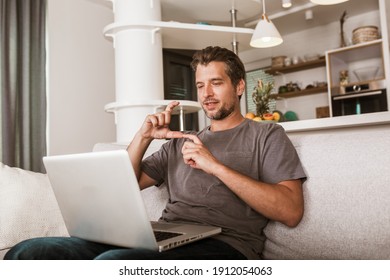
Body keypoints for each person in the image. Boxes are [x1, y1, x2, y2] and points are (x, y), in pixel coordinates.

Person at [5, 46, 306, 260]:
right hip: (166, 237)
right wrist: (144, 136)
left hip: (226, 246)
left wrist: (215, 166)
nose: (206, 95)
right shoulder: (179, 141)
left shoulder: (267, 135)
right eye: (201, 85)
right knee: (30, 252)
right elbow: (126, 183)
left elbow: (291, 212)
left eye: (216, 83)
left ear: (239, 86)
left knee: (114, 264)